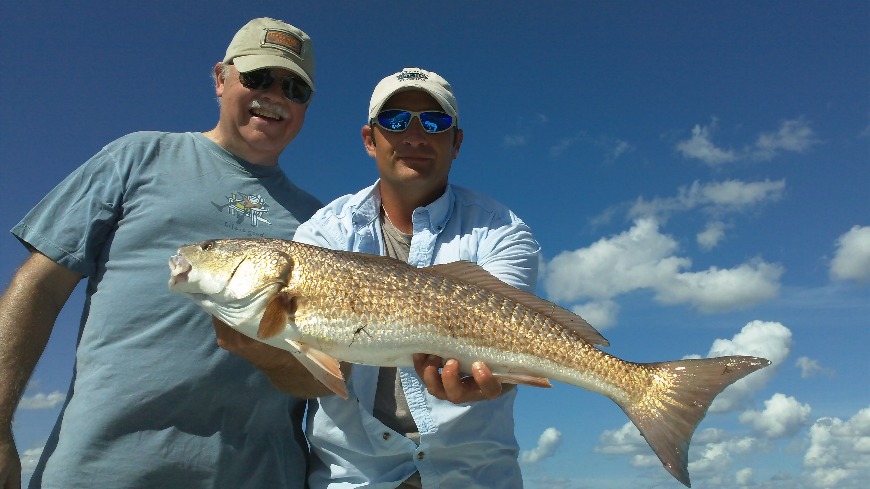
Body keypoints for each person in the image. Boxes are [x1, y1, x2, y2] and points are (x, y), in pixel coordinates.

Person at [0, 17, 328, 489]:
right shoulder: (137, 157)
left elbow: (328, 372)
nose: (275, 95)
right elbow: (40, 287)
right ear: (220, 78)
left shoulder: (322, 222)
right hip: (99, 473)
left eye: (294, 88)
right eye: (258, 77)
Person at [293, 67, 540, 488]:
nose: (414, 136)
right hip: (355, 478)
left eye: (434, 122)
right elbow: (302, 374)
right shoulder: (322, 235)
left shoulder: (502, 231)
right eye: (394, 121)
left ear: (456, 142)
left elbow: (509, 332)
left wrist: (490, 375)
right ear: (369, 139)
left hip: (474, 477)